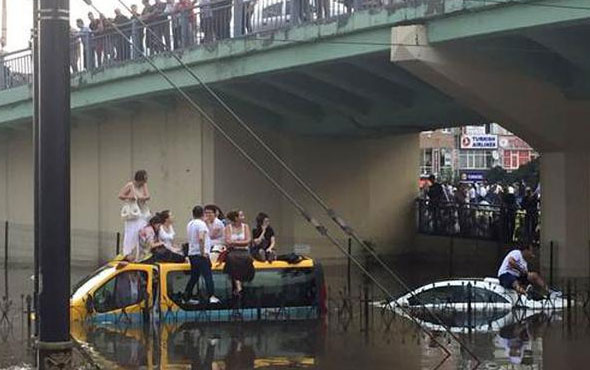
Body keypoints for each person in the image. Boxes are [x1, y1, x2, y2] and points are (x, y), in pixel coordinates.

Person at [184, 206, 221, 304]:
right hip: (200, 254)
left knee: (194, 276)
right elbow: (201, 238)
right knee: (207, 275)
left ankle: (186, 296)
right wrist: (202, 252)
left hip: (192, 253)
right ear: (203, 214)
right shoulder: (201, 224)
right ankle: (211, 296)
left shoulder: (190, 224)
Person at [118, 170, 151, 260]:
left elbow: (147, 196)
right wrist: (130, 197)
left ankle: (140, 254)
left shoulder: (144, 185)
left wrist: (140, 198)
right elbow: (120, 195)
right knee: (131, 233)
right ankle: (128, 253)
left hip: (142, 211)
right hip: (133, 213)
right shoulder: (130, 185)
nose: (146, 181)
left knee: (141, 233)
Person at [224, 210, 254, 297]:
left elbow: (248, 240)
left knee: (248, 259)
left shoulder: (246, 227)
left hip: (244, 250)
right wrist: (240, 242)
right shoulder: (228, 228)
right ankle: (237, 284)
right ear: (236, 218)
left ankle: (244, 281)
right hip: (233, 251)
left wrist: (235, 242)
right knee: (231, 259)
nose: (243, 217)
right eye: (241, 215)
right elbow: (228, 242)